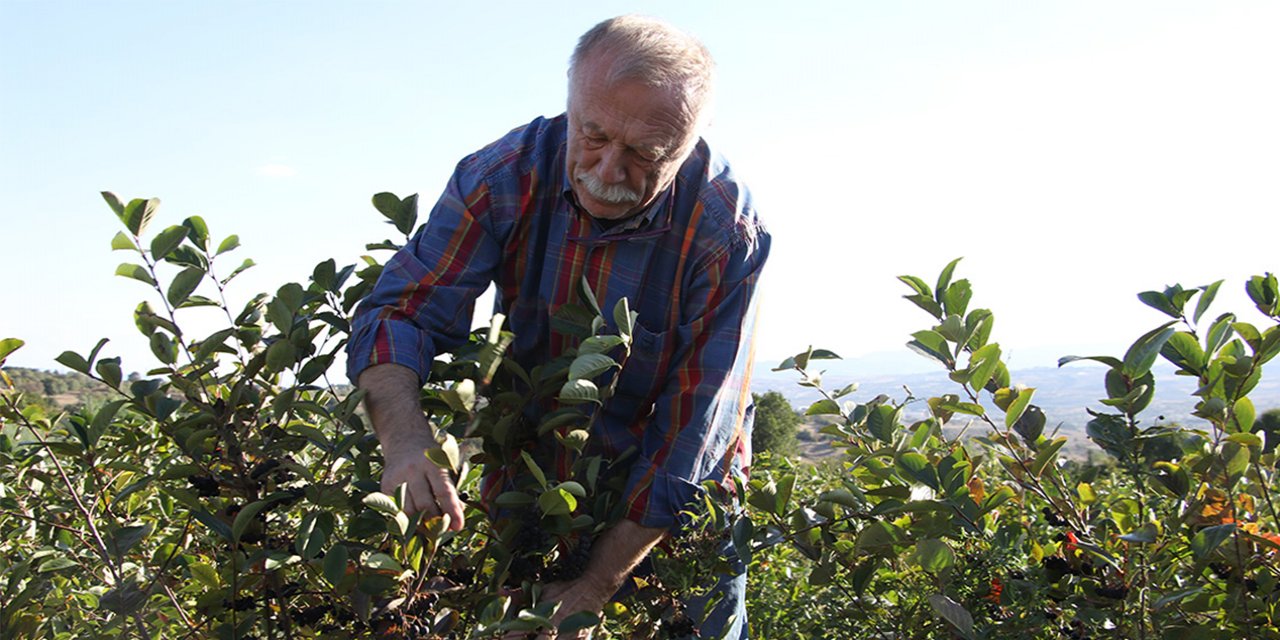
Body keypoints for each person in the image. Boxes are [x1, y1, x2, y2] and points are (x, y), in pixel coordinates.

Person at [346, 15, 768, 638]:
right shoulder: (503, 176)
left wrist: (597, 584)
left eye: (645, 155)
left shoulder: (724, 230)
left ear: (689, 144)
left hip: (672, 503)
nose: (607, 169)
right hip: (535, 475)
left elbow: (693, 434)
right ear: (571, 102)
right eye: (593, 134)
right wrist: (407, 443)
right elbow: (400, 311)